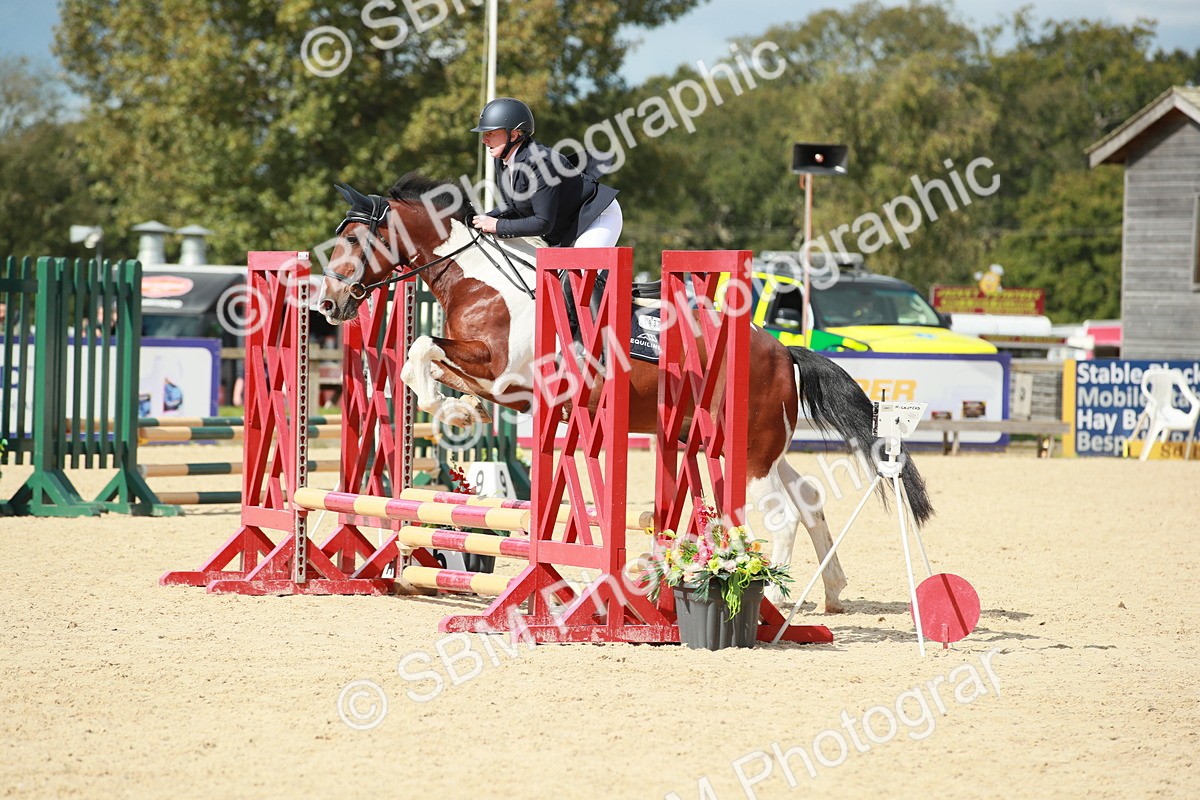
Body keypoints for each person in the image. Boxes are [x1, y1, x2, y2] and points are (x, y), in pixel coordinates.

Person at [469, 97, 622, 248]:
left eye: (490, 133)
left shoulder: (541, 162)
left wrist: (498, 226)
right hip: (564, 229)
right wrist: (482, 218)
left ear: (514, 135)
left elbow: (542, 222)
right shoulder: (502, 160)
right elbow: (512, 207)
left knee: (583, 270)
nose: (484, 140)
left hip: (595, 217)